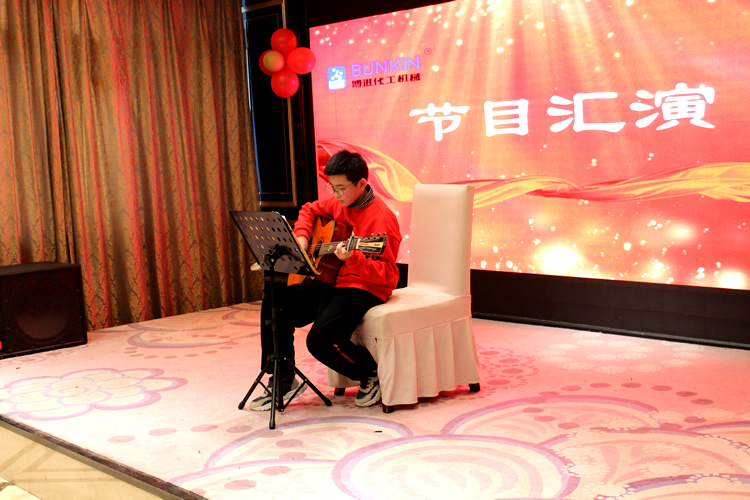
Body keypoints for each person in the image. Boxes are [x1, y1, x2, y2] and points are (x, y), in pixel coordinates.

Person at [249, 149, 402, 411]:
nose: (335, 194)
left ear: (362, 184)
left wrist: (354, 260)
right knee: (275, 304)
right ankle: (283, 378)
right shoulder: (340, 202)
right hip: (329, 279)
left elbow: (388, 276)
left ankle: (370, 372)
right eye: (332, 187)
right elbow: (309, 209)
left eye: (341, 188)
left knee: (319, 341)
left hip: (363, 287)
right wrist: (302, 239)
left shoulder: (382, 219)